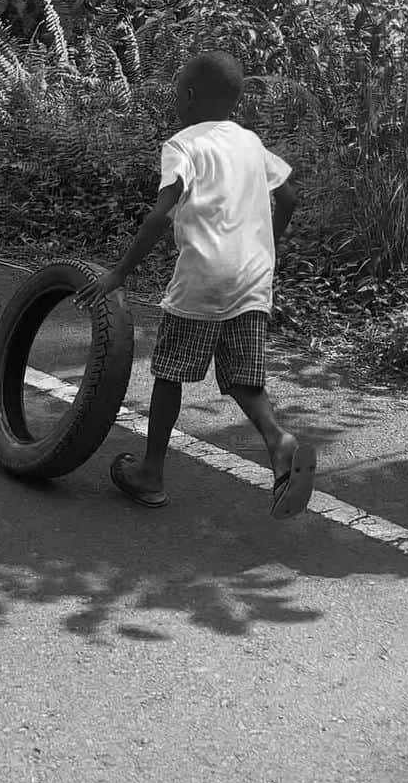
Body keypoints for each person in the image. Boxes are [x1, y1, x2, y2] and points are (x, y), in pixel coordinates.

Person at [76, 50, 316, 518]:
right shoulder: (249, 141)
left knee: (169, 373)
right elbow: (287, 196)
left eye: (176, 88)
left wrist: (120, 272)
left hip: (203, 277)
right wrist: (269, 244)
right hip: (252, 276)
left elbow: (159, 214)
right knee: (241, 372)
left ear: (186, 95)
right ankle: (278, 441)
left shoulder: (182, 145)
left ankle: (150, 474)